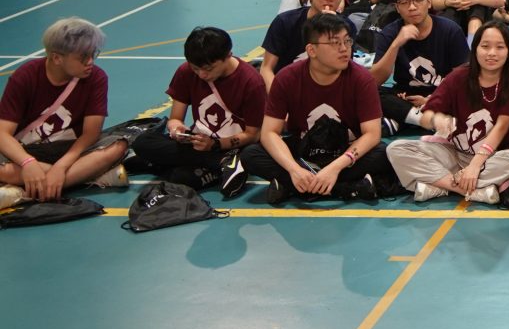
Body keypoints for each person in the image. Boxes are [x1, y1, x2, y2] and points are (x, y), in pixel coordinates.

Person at [242, 13, 395, 203]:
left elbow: (372, 134)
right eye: (335, 43)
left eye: (347, 41)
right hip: (304, 151)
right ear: (311, 50)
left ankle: (293, 187)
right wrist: (294, 169)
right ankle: (346, 188)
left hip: (345, 151)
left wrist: (335, 168)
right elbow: (269, 133)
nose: (344, 49)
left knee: (383, 153)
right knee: (251, 155)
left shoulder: (362, 79)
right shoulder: (287, 78)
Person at [388, 19, 509, 203]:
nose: (491, 53)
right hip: (455, 153)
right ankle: (465, 189)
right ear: (475, 49)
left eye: (500, 47)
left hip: (494, 156)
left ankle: (439, 185)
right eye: (485, 46)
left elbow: (501, 129)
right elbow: (427, 115)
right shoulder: (459, 76)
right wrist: (436, 120)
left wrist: (475, 166)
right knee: (396, 149)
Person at [0, 18, 128, 204]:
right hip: (25, 149)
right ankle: (87, 176)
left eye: (93, 54)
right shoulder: (26, 76)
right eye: (83, 57)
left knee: (118, 146)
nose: (90, 62)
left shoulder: (96, 77)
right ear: (57, 58)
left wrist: (61, 166)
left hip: (68, 148)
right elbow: (3, 133)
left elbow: (91, 133)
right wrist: (27, 162)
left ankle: (27, 190)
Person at [129, 26, 262, 196]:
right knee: (142, 142)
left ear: (228, 55)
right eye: (196, 68)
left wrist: (215, 144)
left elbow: (252, 135)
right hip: (197, 143)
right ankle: (221, 163)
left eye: (208, 68)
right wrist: (176, 129)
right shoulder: (185, 72)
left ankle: (162, 162)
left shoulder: (251, 82)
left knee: (180, 178)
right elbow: (175, 118)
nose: (202, 75)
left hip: (229, 146)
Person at [371, 0, 471, 133]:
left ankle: (403, 120)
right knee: (369, 92)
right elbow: (374, 81)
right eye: (404, 2)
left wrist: (431, 100)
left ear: (429, 2)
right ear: (397, 7)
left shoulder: (450, 30)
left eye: (418, 0)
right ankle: (425, 120)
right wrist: (396, 44)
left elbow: (462, 78)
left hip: (442, 93)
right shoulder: (390, 33)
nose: (412, 7)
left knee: (470, 95)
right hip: (406, 96)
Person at [259, 0, 351, 88]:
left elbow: (345, 71)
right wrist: (278, 96)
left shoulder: (346, 27)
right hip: (286, 87)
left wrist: (333, 29)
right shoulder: (285, 22)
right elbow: (266, 69)